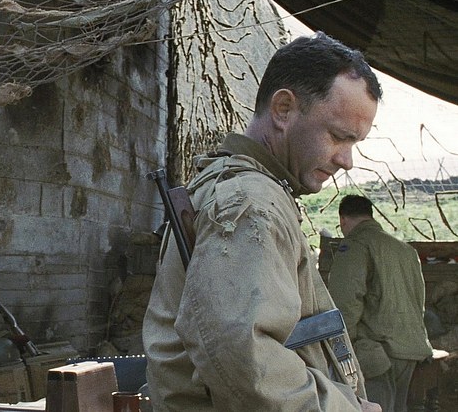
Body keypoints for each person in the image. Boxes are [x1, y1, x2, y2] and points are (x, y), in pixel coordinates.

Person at [142, 32, 384, 411]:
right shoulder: (251, 203)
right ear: (283, 109)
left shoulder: (247, 190)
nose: (346, 160)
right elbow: (246, 362)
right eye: (339, 137)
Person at [327, 195, 433, 412]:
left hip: (376, 350)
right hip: (410, 348)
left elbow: (345, 300)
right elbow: (418, 299)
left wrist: (341, 343)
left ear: (343, 220)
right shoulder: (405, 250)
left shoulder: (356, 244)